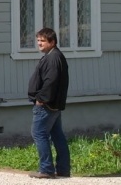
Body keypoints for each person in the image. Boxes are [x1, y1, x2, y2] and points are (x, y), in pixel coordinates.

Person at [27, 27, 70, 179]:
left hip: (47, 105)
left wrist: (41, 99)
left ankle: (46, 169)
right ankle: (63, 169)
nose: (39, 43)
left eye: (43, 41)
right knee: (57, 135)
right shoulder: (54, 56)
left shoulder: (53, 58)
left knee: (39, 134)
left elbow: (51, 81)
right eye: (38, 40)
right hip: (54, 104)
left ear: (52, 42)